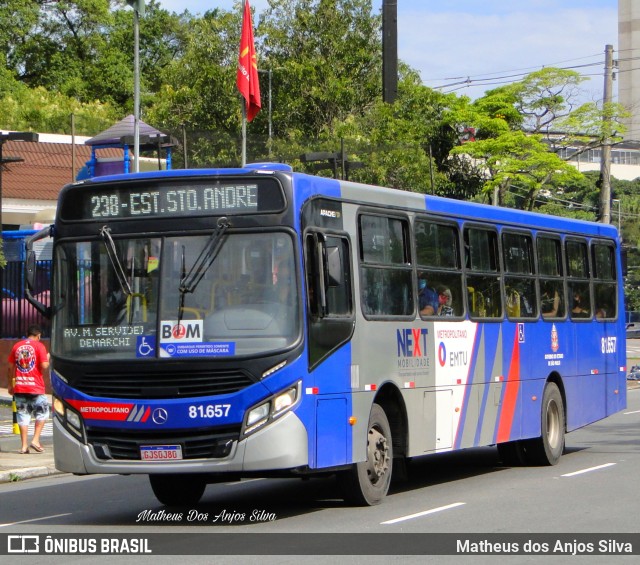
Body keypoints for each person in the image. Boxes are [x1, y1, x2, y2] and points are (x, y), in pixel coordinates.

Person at [6, 325, 50, 454]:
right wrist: (47, 358)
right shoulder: (39, 346)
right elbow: (44, 366)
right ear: (38, 336)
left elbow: (10, 368)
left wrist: (10, 385)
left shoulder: (16, 346)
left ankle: (24, 446)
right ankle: (35, 440)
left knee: (23, 416)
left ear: (27, 334)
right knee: (43, 413)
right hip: (35, 387)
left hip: (20, 387)